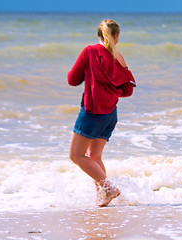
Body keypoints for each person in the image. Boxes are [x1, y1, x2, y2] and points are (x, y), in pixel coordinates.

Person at [68, 19, 136, 207]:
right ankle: (102, 197)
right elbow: (128, 90)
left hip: (92, 113)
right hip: (110, 113)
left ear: (100, 35)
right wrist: (110, 92)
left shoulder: (89, 51)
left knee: (76, 156)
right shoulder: (119, 57)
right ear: (116, 36)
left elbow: (72, 80)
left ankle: (109, 189)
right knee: (94, 157)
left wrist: (87, 75)